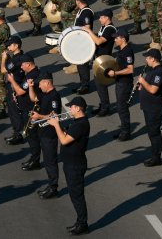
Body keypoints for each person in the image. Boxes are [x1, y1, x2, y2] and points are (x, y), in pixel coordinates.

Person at [48, 96, 90, 235]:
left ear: (78, 108)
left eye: (72, 107)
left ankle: (82, 224)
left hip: (75, 165)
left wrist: (55, 125)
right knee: (74, 195)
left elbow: (65, 140)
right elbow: (67, 135)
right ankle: (79, 222)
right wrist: (58, 124)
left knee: (77, 196)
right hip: (70, 163)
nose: (70, 109)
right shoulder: (76, 122)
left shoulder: (81, 124)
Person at [28, 71, 61, 198]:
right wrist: (31, 86)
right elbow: (34, 99)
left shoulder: (54, 96)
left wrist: (38, 116)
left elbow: (54, 115)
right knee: (47, 161)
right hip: (43, 132)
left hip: (50, 133)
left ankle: (53, 187)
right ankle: (51, 185)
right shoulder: (44, 94)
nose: (39, 86)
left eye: (40, 83)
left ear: (47, 82)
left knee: (50, 161)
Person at [139, 49, 162, 166]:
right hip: (148, 107)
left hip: (154, 108)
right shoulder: (152, 70)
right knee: (151, 132)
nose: (146, 60)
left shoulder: (159, 72)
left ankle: (156, 157)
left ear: (153, 59)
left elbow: (153, 89)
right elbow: (148, 87)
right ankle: (154, 154)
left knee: (154, 133)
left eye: (148, 57)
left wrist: (142, 82)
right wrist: (141, 87)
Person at [86, 8, 116, 116]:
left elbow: (99, 41)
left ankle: (105, 108)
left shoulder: (110, 29)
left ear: (107, 18)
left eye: (101, 17)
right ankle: (103, 105)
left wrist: (89, 31)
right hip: (99, 59)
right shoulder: (104, 27)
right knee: (98, 85)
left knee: (101, 85)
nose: (99, 19)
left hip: (104, 61)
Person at [108, 29, 135, 141]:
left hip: (125, 83)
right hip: (120, 82)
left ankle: (126, 132)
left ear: (123, 39)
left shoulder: (127, 51)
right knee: (120, 107)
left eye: (116, 38)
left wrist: (115, 73)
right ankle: (124, 130)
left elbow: (130, 69)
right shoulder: (121, 50)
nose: (115, 40)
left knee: (122, 108)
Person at [73, 0, 94, 94]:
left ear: (79, 1)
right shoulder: (82, 10)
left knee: (83, 64)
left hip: (84, 41)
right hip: (79, 40)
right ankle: (82, 84)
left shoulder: (86, 12)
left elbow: (87, 27)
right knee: (79, 64)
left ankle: (85, 86)